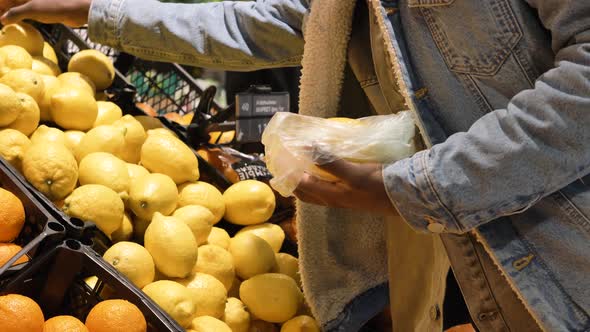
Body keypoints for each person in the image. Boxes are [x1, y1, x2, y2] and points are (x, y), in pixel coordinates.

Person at [2, 0, 588, 331]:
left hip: (565, 257)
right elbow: (267, 22)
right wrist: (96, 12)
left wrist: (422, 185)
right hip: (455, 256)